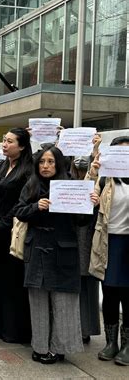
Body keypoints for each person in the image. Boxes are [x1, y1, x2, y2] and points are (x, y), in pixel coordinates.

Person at [15, 145, 98, 364]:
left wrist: (92, 206)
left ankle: (60, 347)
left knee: (64, 301)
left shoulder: (72, 186)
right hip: (37, 249)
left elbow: (82, 221)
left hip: (64, 250)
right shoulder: (31, 185)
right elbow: (19, 212)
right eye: (42, 162)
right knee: (38, 301)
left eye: (50, 162)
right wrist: (36, 207)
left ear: (59, 163)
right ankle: (40, 346)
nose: (45, 166)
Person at [0, 128, 33, 343]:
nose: (4, 144)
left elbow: (22, 203)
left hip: (13, 232)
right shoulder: (0, 165)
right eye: (4, 140)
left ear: (21, 146)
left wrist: (2, 224)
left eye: (10, 141)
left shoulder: (28, 170)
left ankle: (13, 330)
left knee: (12, 282)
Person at [87, 136, 129, 365]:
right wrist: (93, 173)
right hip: (108, 243)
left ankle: (127, 345)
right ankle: (111, 342)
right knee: (110, 294)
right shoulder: (104, 179)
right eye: (119, 152)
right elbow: (86, 200)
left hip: (128, 244)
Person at [70, 156, 101, 344]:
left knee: (87, 283)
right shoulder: (64, 175)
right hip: (70, 234)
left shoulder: (102, 176)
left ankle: (86, 327)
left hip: (89, 235)